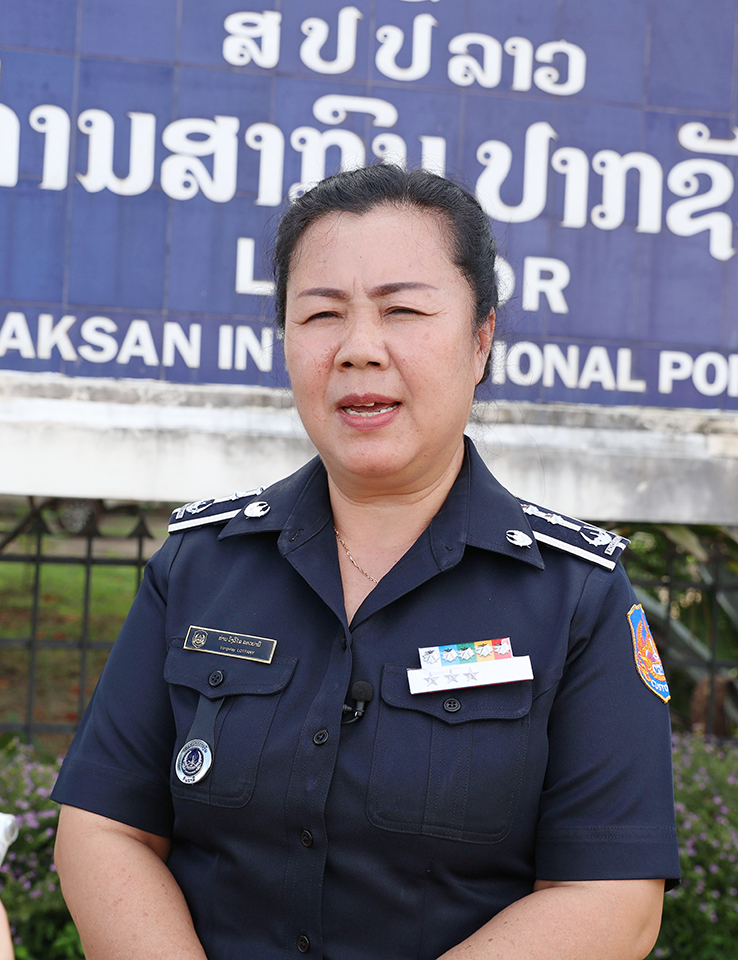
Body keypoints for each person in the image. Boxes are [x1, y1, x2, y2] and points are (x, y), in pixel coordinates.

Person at [52, 165, 679, 960]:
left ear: (481, 338)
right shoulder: (201, 566)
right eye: (321, 315)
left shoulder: (575, 596)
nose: (358, 350)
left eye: (402, 310)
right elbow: (104, 829)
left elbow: (612, 898)